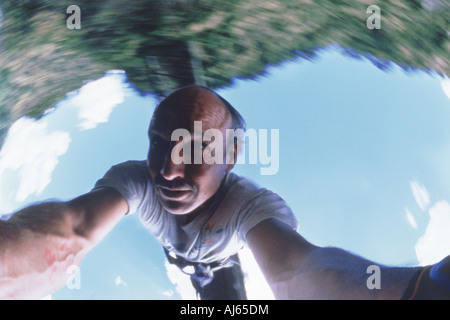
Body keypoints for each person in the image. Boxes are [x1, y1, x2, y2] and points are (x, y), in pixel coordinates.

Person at [0, 85, 449, 300]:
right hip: (189, 259)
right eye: (159, 143)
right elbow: (74, 230)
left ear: (230, 158)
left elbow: (296, 267)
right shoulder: (135, 178)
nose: (168, 168)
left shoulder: (250, 204)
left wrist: (414, 292)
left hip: (219, 266)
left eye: (194, 148)